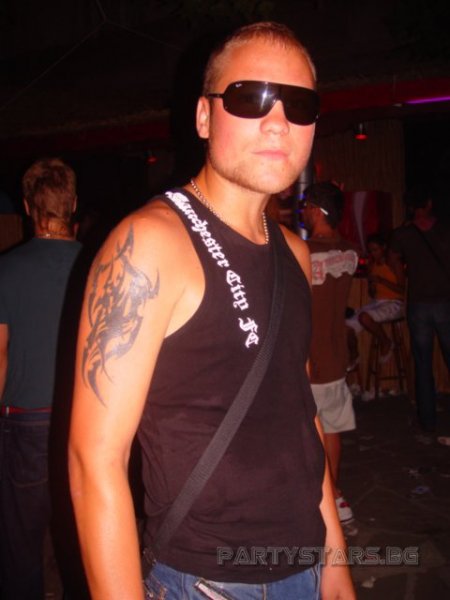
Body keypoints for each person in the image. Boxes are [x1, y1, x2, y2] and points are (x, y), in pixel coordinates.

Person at [69, 22, 355, 600]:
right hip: (206, 580)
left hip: (303, 565)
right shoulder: (150, 245)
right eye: (251, 98)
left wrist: (336, 567)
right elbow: (93, 461)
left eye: (299, 105)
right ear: (204, 117)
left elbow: (300, 417)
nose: (278, 122)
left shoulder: (295, 253)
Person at [0, 158, 82, 599]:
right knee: (81, 534)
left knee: (20, 544)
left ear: (29, 208)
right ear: (73, 204)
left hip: (25, 422)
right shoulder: (99, 263)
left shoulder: (6, 270)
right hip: (84, 422)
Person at [302, 182, 359, 524]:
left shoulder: (306, 251)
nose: (303, 212)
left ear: (317, 210)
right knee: (332, 427)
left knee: (311, 431)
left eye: (306, 206)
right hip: (336, 354)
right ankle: (335, 495)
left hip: (311, 355)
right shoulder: (349, 251)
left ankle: (329, 496)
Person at [389, 185, 450, 433]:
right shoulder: (444, 229)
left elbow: (393, 258)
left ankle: (427, 419)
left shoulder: (403, 234)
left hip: (418, 304)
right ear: (429, 203)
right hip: (445, 301)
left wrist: (402, 279)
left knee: (423, 364)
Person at [346, 232, 404, 364]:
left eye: (375, 250)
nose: (373, 254)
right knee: (346, 327)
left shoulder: (394, 263)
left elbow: (402, 290)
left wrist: (382, 281)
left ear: (384, 247)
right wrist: (372, 286)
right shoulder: (372, 265)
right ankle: (354, 356)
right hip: (378, 302)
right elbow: (372, 294)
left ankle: (386, 342)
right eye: (371, 251)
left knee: (364, 317)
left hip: (395, 303)